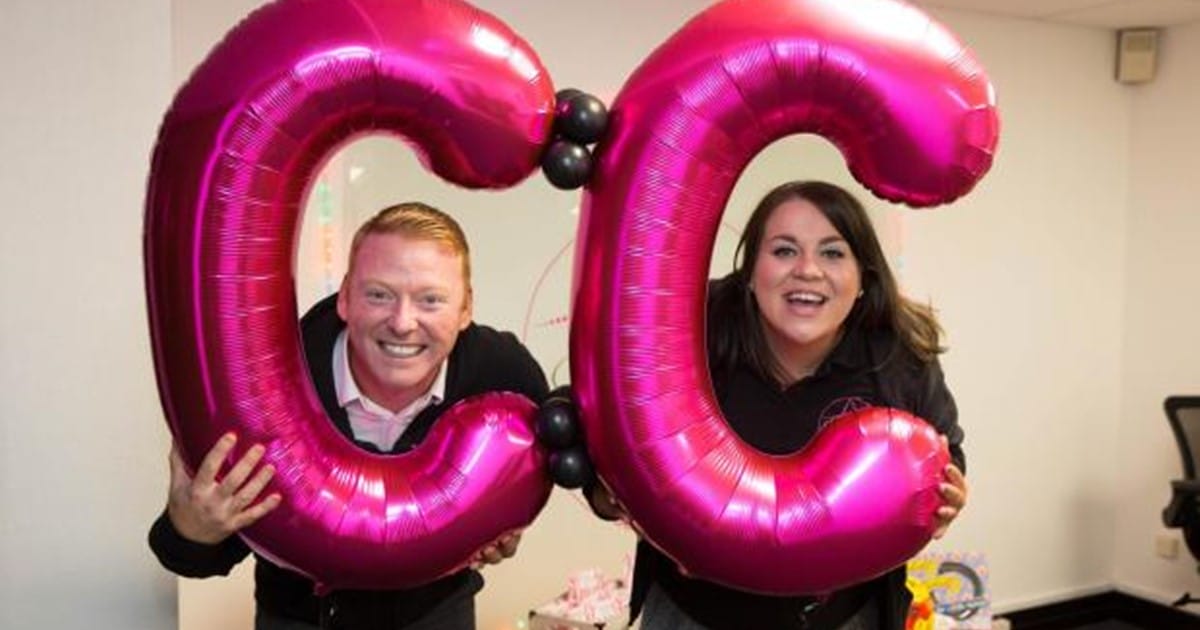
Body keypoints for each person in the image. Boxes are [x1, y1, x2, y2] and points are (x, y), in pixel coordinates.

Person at [149, 202, 550, 629]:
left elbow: (546, 467)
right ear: (344, 298)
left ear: (465, 309)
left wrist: (501, 521)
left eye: (430, 300)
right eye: (379, 294)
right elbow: (203, 549)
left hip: (436, 616)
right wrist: (190, 530)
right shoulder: (271, 383)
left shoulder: (503, 378)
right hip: (300, 620)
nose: (402, 322)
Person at [588, 181, 968, 630]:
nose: (808, 270)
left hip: (847, 617)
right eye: (784, 250)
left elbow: (947, 455)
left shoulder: (897, 360)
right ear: (750, 271)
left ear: (864, 279)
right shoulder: (685, 332)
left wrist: (945, 497)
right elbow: (595, 414)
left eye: (832, 253)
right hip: (694, 613)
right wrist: (609, 491)